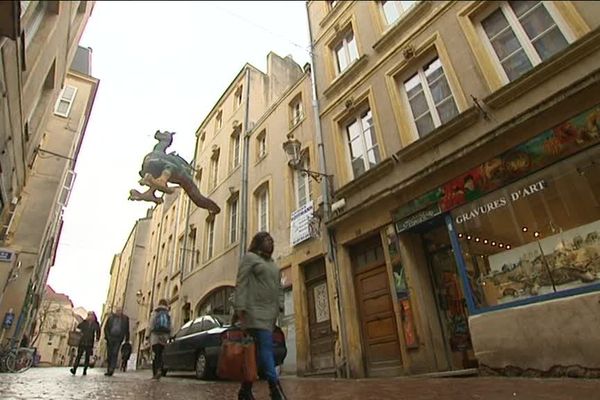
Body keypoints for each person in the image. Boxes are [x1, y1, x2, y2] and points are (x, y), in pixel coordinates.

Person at [234, 232, 286, 400]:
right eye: (266, 239)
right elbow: (241, 284)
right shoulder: (250, 258)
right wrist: (240, 309)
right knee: (266, 349)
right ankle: (275, 389)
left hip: (269, 315)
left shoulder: (272, 264)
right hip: (254, 312)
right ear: (257, 243)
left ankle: (245, 390)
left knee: (255, 354)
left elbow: (279, 287)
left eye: (271, 239)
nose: (270, 241)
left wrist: (280, 305)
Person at [145, 298, 171, 380]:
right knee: (161, 354)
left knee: (155, 354)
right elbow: (171, 325)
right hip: (164, 336)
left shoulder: (155, 312)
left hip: (155, 336)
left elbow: (151, 324)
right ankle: (160, 369)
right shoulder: (167, 313)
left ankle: (155, 372)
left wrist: (147, 335)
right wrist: (171, 335)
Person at [70, 311, 100, 376]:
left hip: (90, 342)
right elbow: (78, 327)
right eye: (89, 315)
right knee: (79, 356)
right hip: (82, 341)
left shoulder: (96, 324)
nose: (90, 317)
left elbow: (98, 331)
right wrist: (79, 333)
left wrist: (97, 338)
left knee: (87, 357)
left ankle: (85, 370)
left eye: (91, 315)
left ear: (94, 316)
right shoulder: (84, 322)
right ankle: (74, 369)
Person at [103, 307, 130, 376]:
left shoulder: (125, 319)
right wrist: (107, 337)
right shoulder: (111, 318)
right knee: (109, 354)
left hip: (118, 338)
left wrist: (127, 339)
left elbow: (127, 329)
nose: (118, 312)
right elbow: (106, 328)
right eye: (117, 311)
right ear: (115, 311)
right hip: (110, 337)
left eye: (120, 311)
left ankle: (112, 369)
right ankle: (109, 368)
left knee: (115, 353)